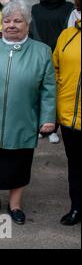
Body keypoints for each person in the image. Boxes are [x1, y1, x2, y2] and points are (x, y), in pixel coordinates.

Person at [0, 0, 56, 225]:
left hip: (23, 120)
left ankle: (15, 204)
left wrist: (48, 118)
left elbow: (48, 89)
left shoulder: (42, 52)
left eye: (18, 21)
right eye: (7, 20)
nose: (11, 25)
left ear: (27, 24)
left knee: (19, 164)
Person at [31, 0, 74, 144]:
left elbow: (68, 31)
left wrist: (58, 50)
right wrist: (42, 49)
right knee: (37, 90)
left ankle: (53, 128)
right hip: (40, 53)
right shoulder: (35, 9)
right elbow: (32, 30)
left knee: (55, 91)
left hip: (61, 54)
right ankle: (39, 127)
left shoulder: (69, 8)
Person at [53, 14, 81, 226]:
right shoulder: (66, 35)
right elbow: (55, 70)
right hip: (69, 116)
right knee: (75, 165)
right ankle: (76, 207)